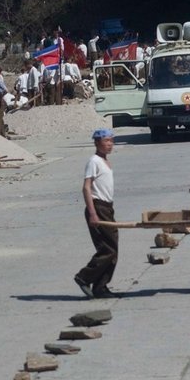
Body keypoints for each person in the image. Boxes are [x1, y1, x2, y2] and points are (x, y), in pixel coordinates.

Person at [74, 128, 119, 299]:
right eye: (106, 141)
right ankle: (84, 276)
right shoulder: (94, 161)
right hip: (98, 207)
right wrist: (93, 213)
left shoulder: (105, 161)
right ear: (97, 143)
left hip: (107, 207)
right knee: (107, 249)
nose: (109, 145)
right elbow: (86, 187)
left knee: (113, 249)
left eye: (111, 141)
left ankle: (101, 287)